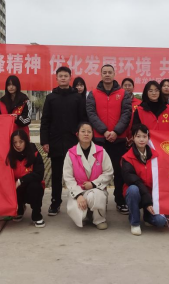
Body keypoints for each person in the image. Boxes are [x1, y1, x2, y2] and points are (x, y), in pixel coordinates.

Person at [41, 67, 87, 217]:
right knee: (56, 174)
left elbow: (83, 120)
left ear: (70, 78)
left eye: (65, 76)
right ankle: (55, 202)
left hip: (73, 142)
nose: (62, 78)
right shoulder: (51, 98)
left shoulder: (77, 98)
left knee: (77, 174)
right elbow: (45, 121)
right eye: (60, 76)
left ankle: (79, 201)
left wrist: (82, 138)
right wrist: (45, 141)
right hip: (55, 142)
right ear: (56, 78)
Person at [87, 65, 132, 215]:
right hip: (100, 140)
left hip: (118, 140)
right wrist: (104, 131)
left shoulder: (123, 93)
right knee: (98, 172)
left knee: (119, 172)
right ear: (100, 74)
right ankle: (100, 200)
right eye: (104, 72)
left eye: (109, 72)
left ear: (114, 74)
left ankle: (120, 200)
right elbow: (91, 114)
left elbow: (126, 113)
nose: (107, 75)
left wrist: (116, 132)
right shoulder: (93, 93)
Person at [63, 122, 114, 230]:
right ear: (77, 134)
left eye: (89, 132)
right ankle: (87, 215)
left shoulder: (101, 151)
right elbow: (68, 177)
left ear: (92, 134)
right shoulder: (71, 153)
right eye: (83, 131)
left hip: (97, 190)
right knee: (78, 214)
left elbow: (108, 172)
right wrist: (78, 195)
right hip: (79, 190)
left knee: (95, 196)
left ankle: (99, 218)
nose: (86, 134)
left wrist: (93, 184)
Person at [122, 124, 168, 236]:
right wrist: (147, 201)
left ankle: (148, 216)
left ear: (148, 138)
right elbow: (134, 181)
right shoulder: (127, 158)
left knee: (161, 221)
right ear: (133, 138)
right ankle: (135, 222)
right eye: (138, 136)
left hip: (151, 195)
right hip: (137, 193)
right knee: (133, 189)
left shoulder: (156, 155)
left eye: (144, 136)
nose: (141, 139)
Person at [7, 130, 46, 228]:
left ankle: (36, 214)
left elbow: (39, 174)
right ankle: (19, 209)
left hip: (31, 187)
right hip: (17, 188)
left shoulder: (34, 153)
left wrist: (21, 180)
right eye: (15, 142)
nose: (18, 145)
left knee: (35, 186)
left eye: (21, 142)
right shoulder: (9, 156)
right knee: (10, 186)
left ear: (26, 141)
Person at [122, 78, 143, 142]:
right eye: (125, 85)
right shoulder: (117, 102)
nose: (127, 87)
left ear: (133, 87)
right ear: (121, 87)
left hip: (135, 135)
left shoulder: (139, 103)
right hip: (120, 135)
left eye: (129, 85)